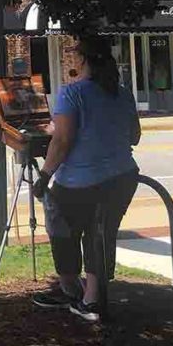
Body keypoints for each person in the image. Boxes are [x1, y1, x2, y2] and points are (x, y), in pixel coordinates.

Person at [31, 37, 141, 323]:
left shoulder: (72, 93)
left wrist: (44, 176)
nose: (70, 58)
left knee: (62, 231)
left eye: (73, 53)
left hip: (80, 180)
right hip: (122, 176)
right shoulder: (123, 92)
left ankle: (70, 289)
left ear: (82, 60)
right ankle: (92, 299)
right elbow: (134, 136)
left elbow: (62, 141)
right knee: (101, 233)